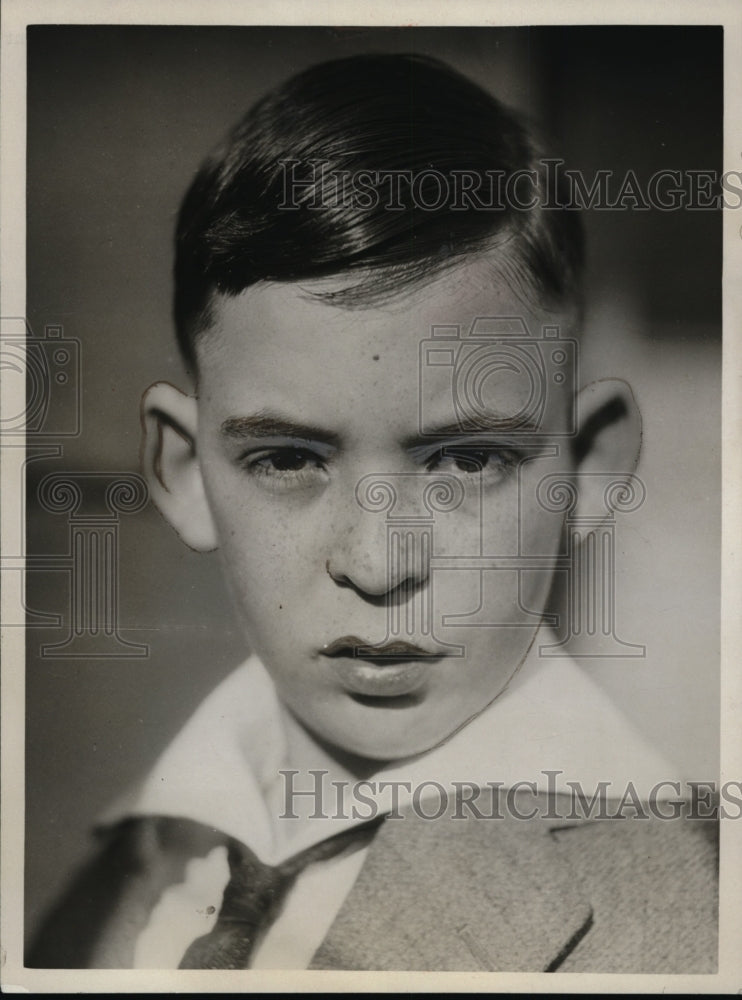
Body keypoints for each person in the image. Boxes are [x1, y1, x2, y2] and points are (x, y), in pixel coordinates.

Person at [27, 52, 718, 973]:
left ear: (585, 470)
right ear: (187, 471)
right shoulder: (129, 867)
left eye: (468, 460)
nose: (380, 562)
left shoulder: (688, 931)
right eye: (288, 459)